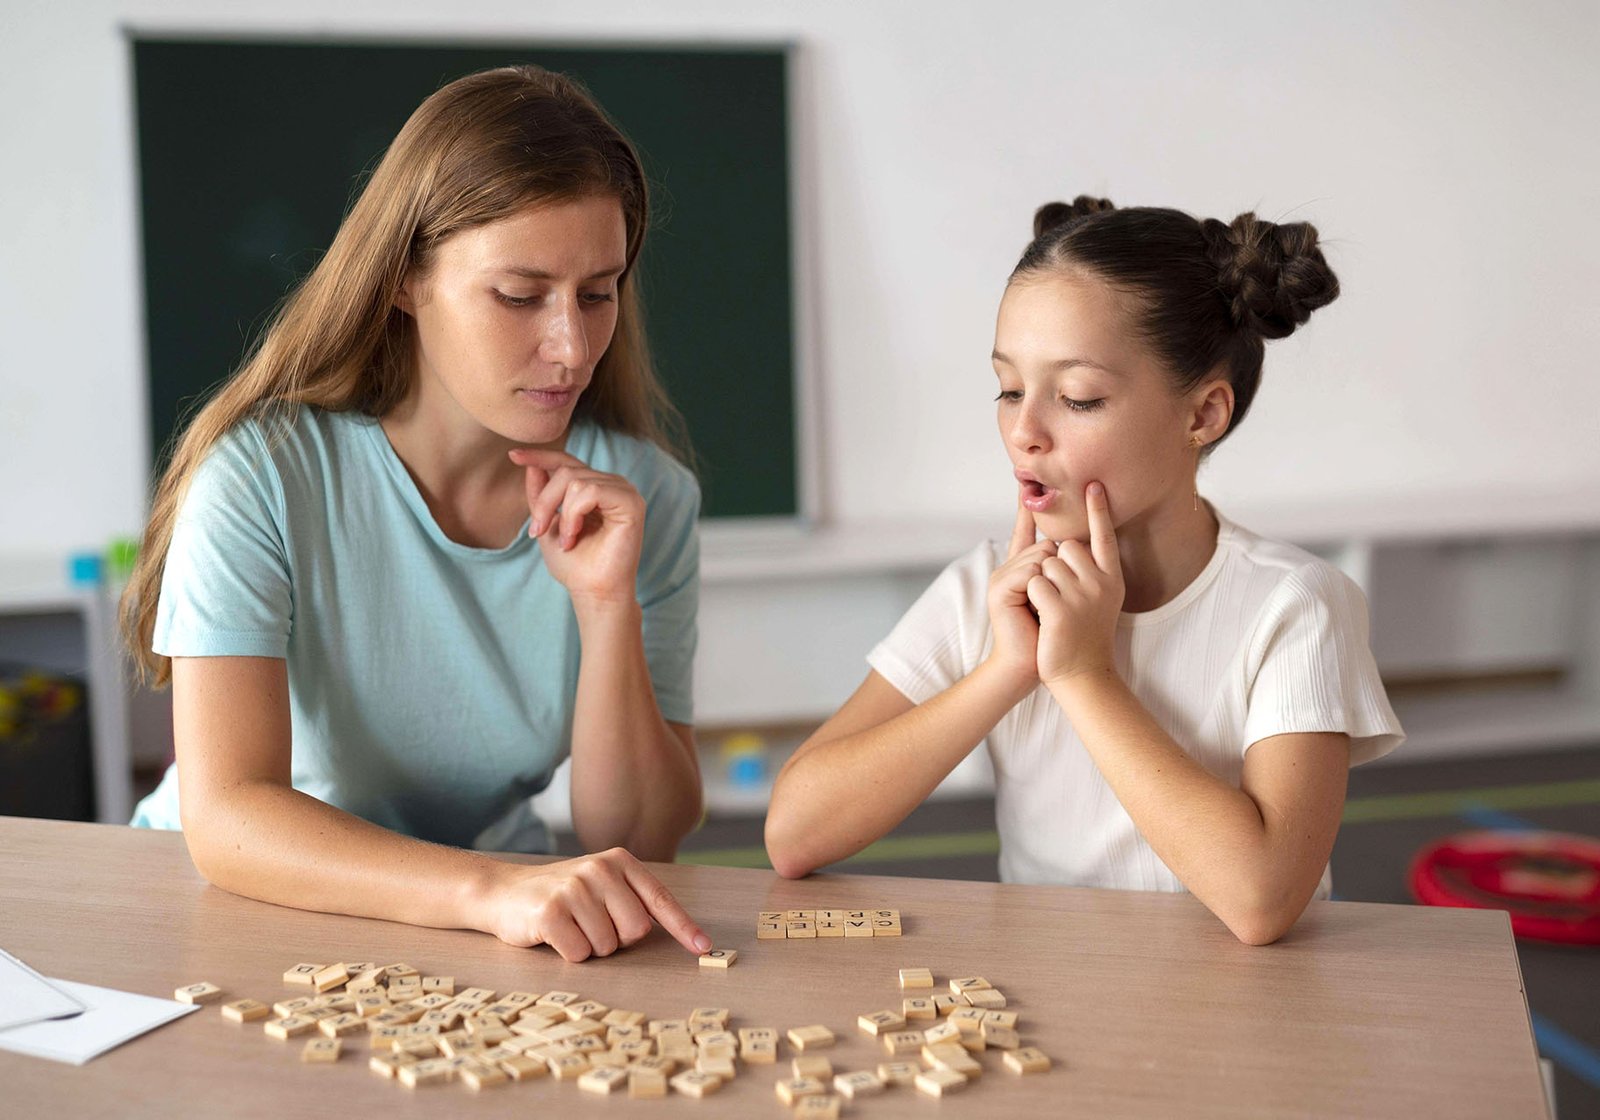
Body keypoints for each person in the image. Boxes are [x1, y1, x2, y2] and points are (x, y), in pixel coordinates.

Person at [122, 66, 712, 962]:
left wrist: (606, 607)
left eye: (598, 293)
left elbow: (637, 834)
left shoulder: (643, 497)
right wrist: (492, 891)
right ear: (405, 279)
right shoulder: (260, 477)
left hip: (477, 923)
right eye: (520, 296)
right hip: (241, 907)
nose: (572, 346)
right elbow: (230, 816)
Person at [765, 196, 1404, 945]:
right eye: (1009, 388)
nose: (1024, 431)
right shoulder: (987, 588)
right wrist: (1007, 670)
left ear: (1203, 415)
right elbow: (794, 834)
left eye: (1077, 398)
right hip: (1051, 992)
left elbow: (1261, 900)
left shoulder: (1295, 605)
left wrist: (1081, 675)